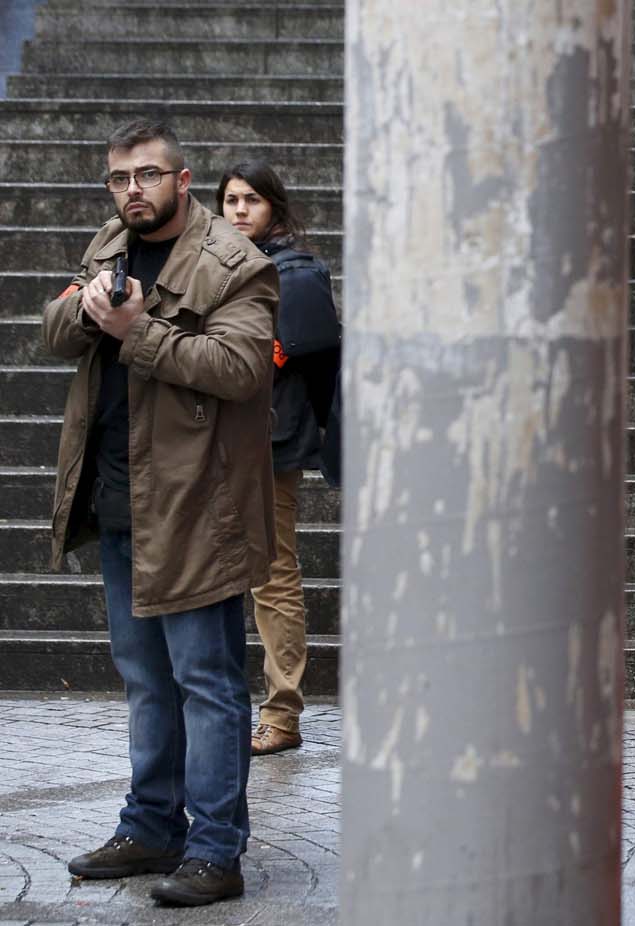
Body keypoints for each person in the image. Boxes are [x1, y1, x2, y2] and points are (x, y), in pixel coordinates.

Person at [43, 120, 277, 905]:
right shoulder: (109, 245)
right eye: (119, 178)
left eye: (147, 175)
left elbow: (241, 370)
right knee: (144, 676)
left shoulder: (234, 263)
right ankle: (151, 825)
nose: (131, 190)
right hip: (119, 496)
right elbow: (53, 332)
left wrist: (136, 330)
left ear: (183, 180)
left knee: (206, 682)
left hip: (198, 506)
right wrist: (87, 312)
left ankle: (215, 850)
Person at [218, 161, 341, 757]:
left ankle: (282, 711)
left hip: (270, 441)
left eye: (253, 201)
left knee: (272, 574)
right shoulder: (213, 265)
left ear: (275, 208)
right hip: (209, 439)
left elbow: (264, 359)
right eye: (232, 200)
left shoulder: (294, 275)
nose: (240, 210)